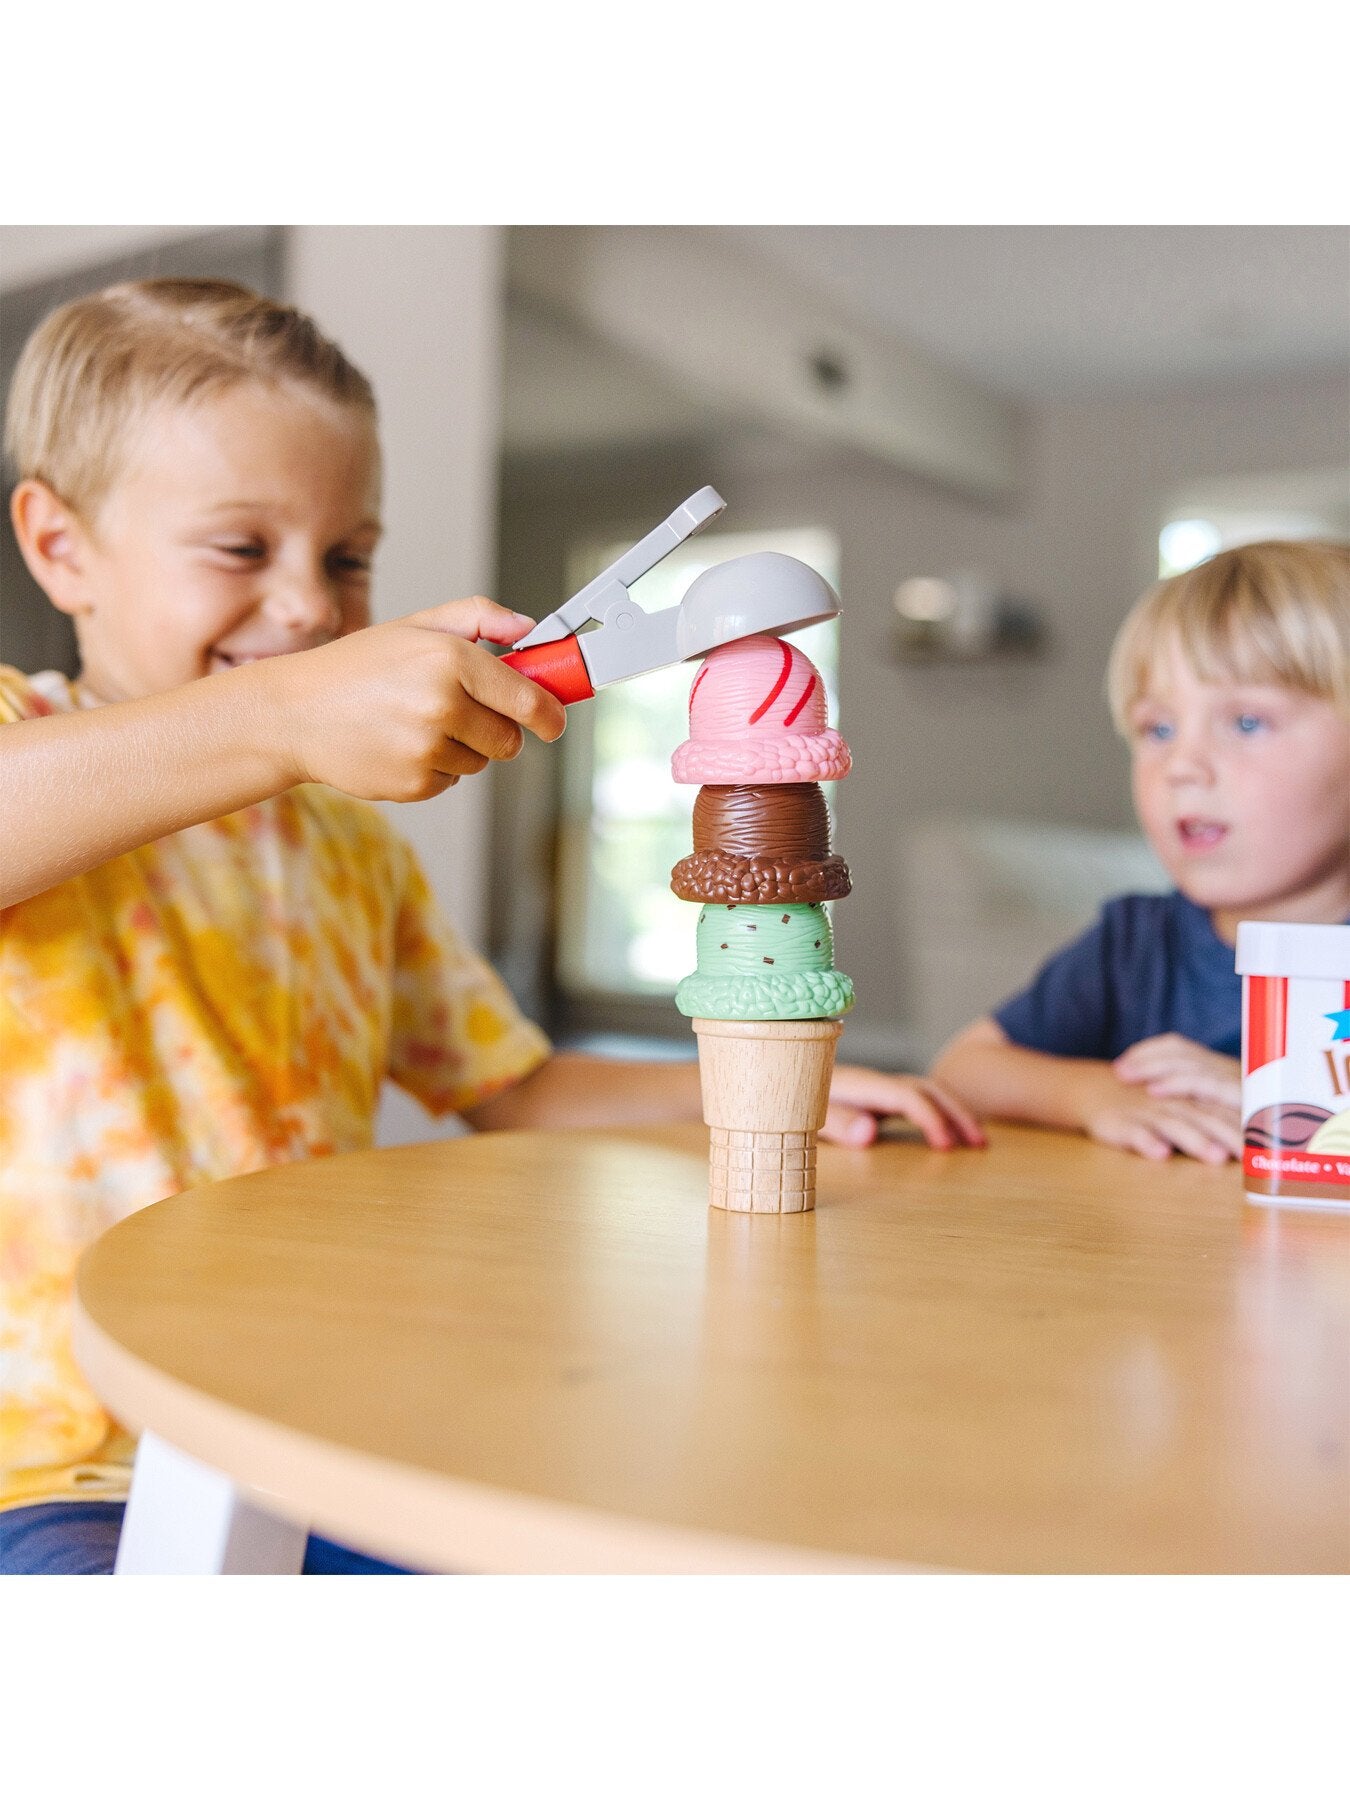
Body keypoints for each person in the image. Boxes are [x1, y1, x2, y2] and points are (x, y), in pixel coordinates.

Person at [0, 278, 983, 1575]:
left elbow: (513, 1086)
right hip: (62, 1471)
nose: (307, 606)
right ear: (59, 546)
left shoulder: (343, 846)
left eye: (347, 557)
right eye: (242, 550)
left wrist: (737, 1091)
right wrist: (288, 716)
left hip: (310, 1430)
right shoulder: (33, 745)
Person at [932, 540, 1350, 1165]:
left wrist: (1277, 1100)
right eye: (1158, 729)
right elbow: (962, 1069)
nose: (1182, 765)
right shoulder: (1133, 944)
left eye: (1246, 722)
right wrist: (1091, 1094)